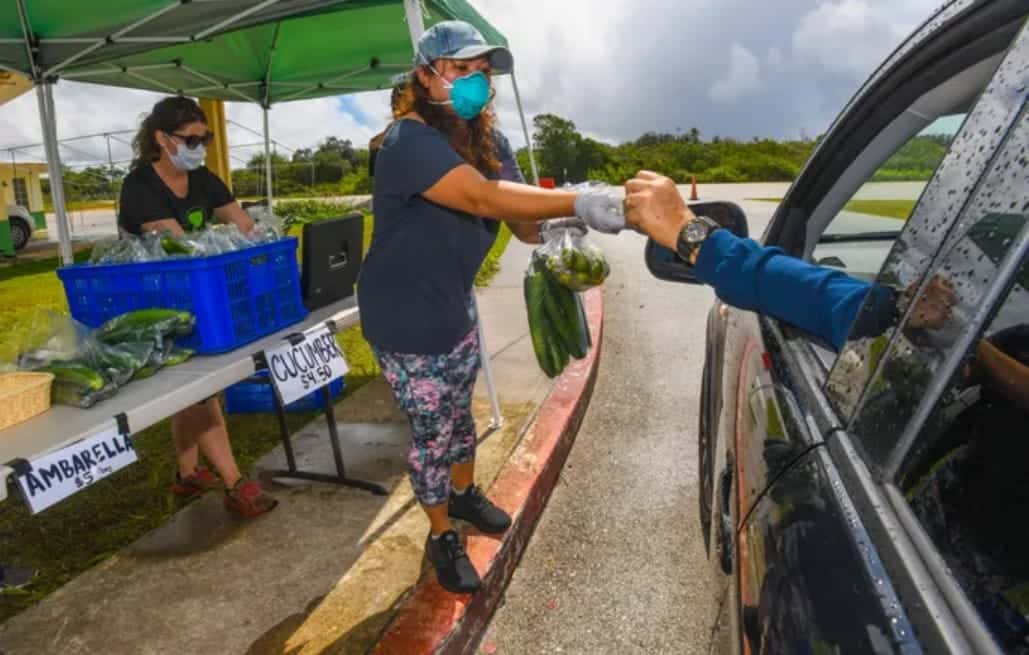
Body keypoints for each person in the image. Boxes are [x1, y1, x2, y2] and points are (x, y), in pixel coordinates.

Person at [357, 20, 622, 594]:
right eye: (461, 70)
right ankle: (440, 536)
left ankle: (464, 494)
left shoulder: (490, 142)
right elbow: (481, 196)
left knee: (461, 415)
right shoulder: (407, 144)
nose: (476, 83)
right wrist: (581, 197)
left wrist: (561, 223)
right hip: (402, 314)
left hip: (452, 303)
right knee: (433, 431)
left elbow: (521, 224)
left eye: (483, 72)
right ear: (426, 76)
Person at [118, 96, 277, 518]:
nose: (200, 146)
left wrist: (256, 234)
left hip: (201, 291)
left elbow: (243, 225)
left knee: (192, 389)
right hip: (155, 299)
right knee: (201, 387)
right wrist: (228, 243)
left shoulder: (204, 179)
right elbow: (176, 246)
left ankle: (187, 473)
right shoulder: (139, 187)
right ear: (162, 139)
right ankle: (235, 483)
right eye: (191, 139)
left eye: (203, 138)